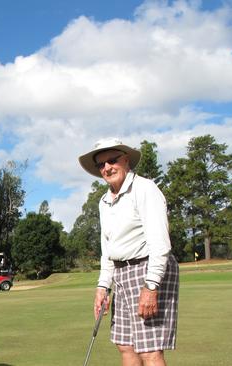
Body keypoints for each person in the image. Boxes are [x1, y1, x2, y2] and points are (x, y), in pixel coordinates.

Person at [78, 138, 179, 366]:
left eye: (112, 160)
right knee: (126, 346)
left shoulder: (144, 189)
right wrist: (103, 286)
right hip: (121, 274)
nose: (107, 168)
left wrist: (151, 286)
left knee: (150, 351)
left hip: (148, 269)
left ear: (126, 160)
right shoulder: (104, 201)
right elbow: (108, 249)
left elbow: (160, 244)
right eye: (101, 165)